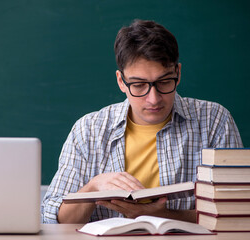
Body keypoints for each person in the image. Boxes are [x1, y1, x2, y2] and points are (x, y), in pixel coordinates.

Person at [41, 19, 243, 224]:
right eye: (138, 85)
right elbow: (52, 218)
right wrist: (93, 187)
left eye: (164, 82)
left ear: (178, 73)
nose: (153, 99)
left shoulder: (214, 121)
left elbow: (235, 213)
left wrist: (160, 215)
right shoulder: (88, 130)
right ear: (121, 81)